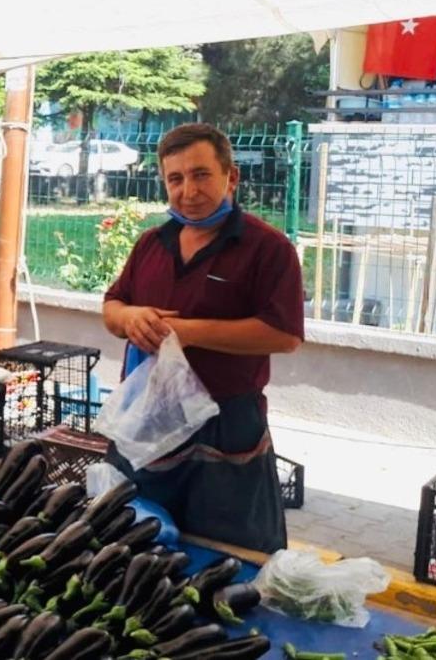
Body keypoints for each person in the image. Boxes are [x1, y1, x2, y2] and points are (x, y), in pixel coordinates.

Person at [101, 123, 304, 553]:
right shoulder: (151, 244)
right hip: (145, 418)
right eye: (175, 179)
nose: (188, 191)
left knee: (222, 558)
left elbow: (284, 334)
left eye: (201, 175)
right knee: (132, 547)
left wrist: (187, 332)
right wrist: (129, 317)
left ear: (231, 177)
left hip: (224, 429)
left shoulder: (268, 248)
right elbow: (113, 306)